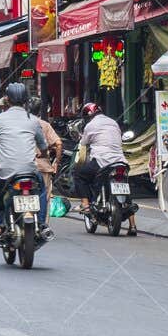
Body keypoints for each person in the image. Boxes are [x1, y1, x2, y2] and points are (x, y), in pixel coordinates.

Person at [0, 83, 50, 240]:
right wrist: (44, 154)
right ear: (26, 100)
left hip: (7, 173)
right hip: (30, 171)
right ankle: (42, 224)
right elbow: (43, 146)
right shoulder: (33, 120)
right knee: (42, 190)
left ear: (6, 100)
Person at [74, 101, 136, 234]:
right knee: (125, 188)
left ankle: (85, 205)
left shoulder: (90, 126)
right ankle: (133, 225)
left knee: (79, 175)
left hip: (102, 162)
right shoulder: (113, 122)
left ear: (87, 116)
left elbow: (83, 143)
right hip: (121, 162)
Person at [29, 97, 62, 202]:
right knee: (44, 197)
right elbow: (59, 144)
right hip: (42, 166)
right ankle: (42, 218)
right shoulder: (45, 125)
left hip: (23, 166)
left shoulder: (19, 124)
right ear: (39, 110)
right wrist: (56, 162)